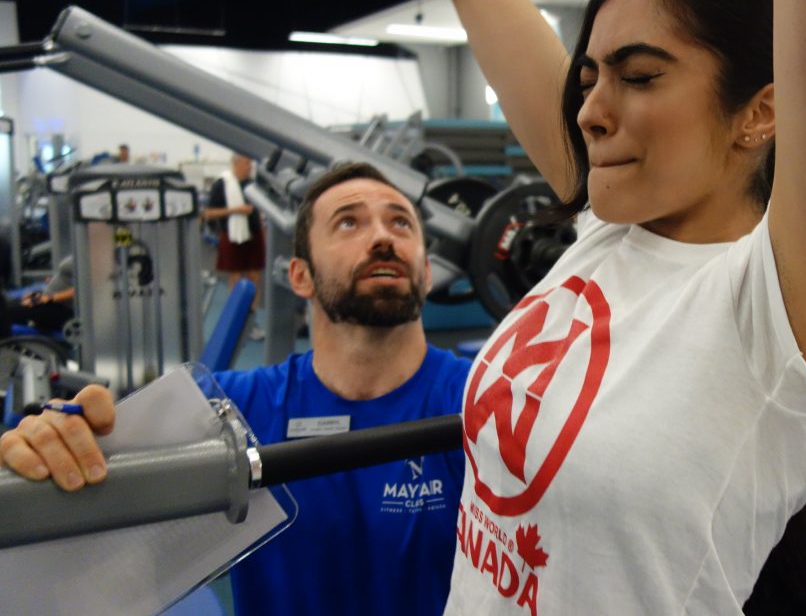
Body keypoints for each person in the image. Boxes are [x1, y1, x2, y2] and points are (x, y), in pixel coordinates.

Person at [438, 0, 806, 612]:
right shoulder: (603, 229)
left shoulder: (780, 302)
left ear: (762, 113)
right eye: (588, 78)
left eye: (640, 76)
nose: (588, 110)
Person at [0, 162, 473, 616]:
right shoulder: (224, 412)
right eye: (349, 223)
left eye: (400, 224)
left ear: (427, 274)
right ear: (299, 276)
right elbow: (67, 561)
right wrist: (49, 449)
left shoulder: (483, 401)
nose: (382, 237)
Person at [204, 154, 266, 340]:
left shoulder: (253, 185)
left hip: (254, 235)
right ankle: (236, 319)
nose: (250, 166)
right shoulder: (222, 184)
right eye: (247, 163)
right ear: (236, 164)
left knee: (255, 275)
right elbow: (209, 212)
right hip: (232, 235)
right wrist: (236, 210)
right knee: (236, 276)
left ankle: (251, 320)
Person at [2, 255, 75, 337]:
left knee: (5, 313)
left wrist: (46, 298)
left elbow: (80, 290)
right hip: (52, 301)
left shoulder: (88, 258)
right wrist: (40, 294)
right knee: (6, 306)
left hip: (63, 308)